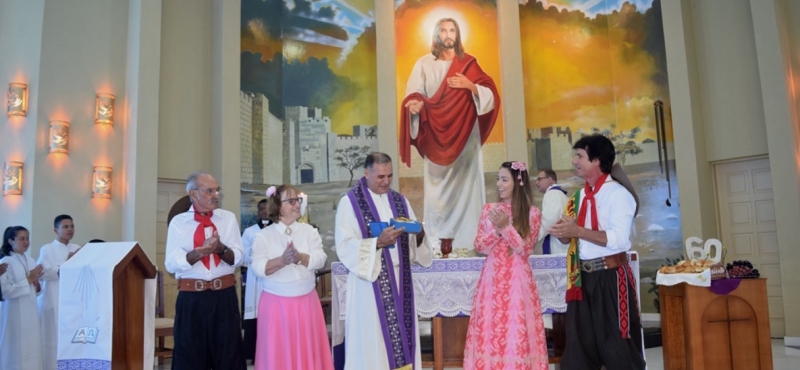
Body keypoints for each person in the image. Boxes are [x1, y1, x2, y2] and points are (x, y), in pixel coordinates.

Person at [399, 17, 501, 251]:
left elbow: (491, 95)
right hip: (435, 139)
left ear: (457, 35)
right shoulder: (423, 64)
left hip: (465, 140)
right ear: (436, 35)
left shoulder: (468, 64)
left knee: (467, 190)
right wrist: (414, 106)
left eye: (452, 30)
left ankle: (470, 244)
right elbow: (414, 93)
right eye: (443, 30)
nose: (448, 34)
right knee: (437, 197)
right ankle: (436, 245)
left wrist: (470, 86)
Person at [548, 135, 645, 370]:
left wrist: (577, 230)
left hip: (611, 277)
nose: (574, 161)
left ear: (598, 160)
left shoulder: (618, 194)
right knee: (580, 345)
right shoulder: (579, 197)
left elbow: (618, 240)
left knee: (616, 343)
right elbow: (570, 238)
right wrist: (563, 232)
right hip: (583, 278)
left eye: (580, 156)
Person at [334, 152, 433, 370]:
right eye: (380, 177)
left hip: (400, 280)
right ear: (366, 172)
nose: (386, 182)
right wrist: (377, 243)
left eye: (389, 176)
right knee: (372, 341)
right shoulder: (349, 203)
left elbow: (414, 242)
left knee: (401, 335)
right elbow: (344, 245)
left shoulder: (400, 200)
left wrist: (419, 236)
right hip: (369, 283)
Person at [463, 161, 549, 369]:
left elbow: (525, 249)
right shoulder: (489, 210)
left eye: (504, 179)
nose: (499, 184)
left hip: (517, 282)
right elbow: (479, 245)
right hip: (492, 280)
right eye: (497, 179)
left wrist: (506, 227)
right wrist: (498, 230)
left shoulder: (532, 213)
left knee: (515, 330)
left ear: (518, 182)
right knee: (491, 329)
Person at [164, 171, 245, 370]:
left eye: (217, 190)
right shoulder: (179, 223)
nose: (215, 195)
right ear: (193, 194)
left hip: (223, 297)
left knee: (229, 357)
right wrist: (197, 254)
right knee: (189, 357)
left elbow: (239, 257)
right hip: (192, 299)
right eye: (209, 191)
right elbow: (171, 264)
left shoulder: (228, 219)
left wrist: (220, 249)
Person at [250, 185, 332, 370]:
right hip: (276, 306)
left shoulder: (309, 231)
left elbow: (321, 259)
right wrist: (282, 260)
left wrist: (301, 257)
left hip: (306, 303)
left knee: (308, 351)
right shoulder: (263, 236)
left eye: (298, 200)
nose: (297, 205)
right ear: (278, 206)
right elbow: (257, 267)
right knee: (278, 355)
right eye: (292, 201)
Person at [37, 214, 81, 370]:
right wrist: (67, 264)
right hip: (53, 299)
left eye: (72, 226)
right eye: (65, 226)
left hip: (73, 301)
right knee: (52, 339)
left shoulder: (77, 249)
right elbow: (44, 273)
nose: (70, 229)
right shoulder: (47, 249)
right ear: (56, 230)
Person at [1, 226, 45, 370]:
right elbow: (6, 291)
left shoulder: (31, 260)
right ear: (11, 241)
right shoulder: (5, 262)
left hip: (31, 311)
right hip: (14, 313)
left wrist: (36, 284)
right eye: (21, 239)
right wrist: (28, 280)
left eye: (27, 238)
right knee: (15, 349)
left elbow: (36, 291)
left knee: (32, 347)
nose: (26, 241)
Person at [242, 198, 271, 363]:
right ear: (258, 211)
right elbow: (242, 256)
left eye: (267, 208)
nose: (264, 212)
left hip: (273, 277)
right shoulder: (249, 232)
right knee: (256, 315)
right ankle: (254, 354)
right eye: (261, 209)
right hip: (255, 279)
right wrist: (255, 249)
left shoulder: (278, 229)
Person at [535, 169, 569, 254]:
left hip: (558, 242)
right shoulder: (559, 194)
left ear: (549, 180)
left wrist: (533, 236)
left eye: (539, 179)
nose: (536, 183)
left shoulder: (552, 193)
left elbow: (549, 220)